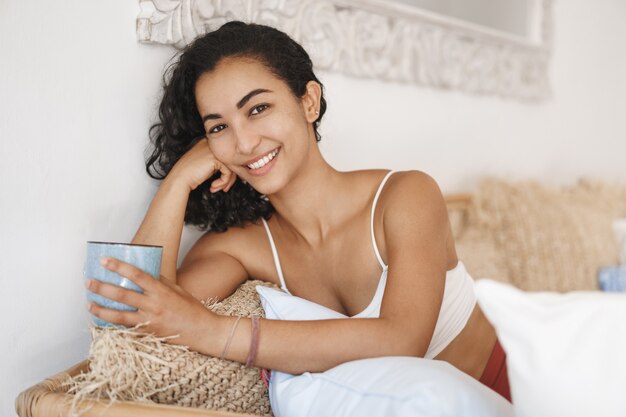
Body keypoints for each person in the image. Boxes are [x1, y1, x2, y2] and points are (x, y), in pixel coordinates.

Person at [85, 21, 511, 402]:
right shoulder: (242, 246)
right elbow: (131, 318)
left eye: (258, 109)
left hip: (514, 391)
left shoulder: (405, 195)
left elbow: (402, 340)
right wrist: (178, 181)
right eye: (219, 127)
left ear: (309, 102)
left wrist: (213, 331)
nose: (245, 142)